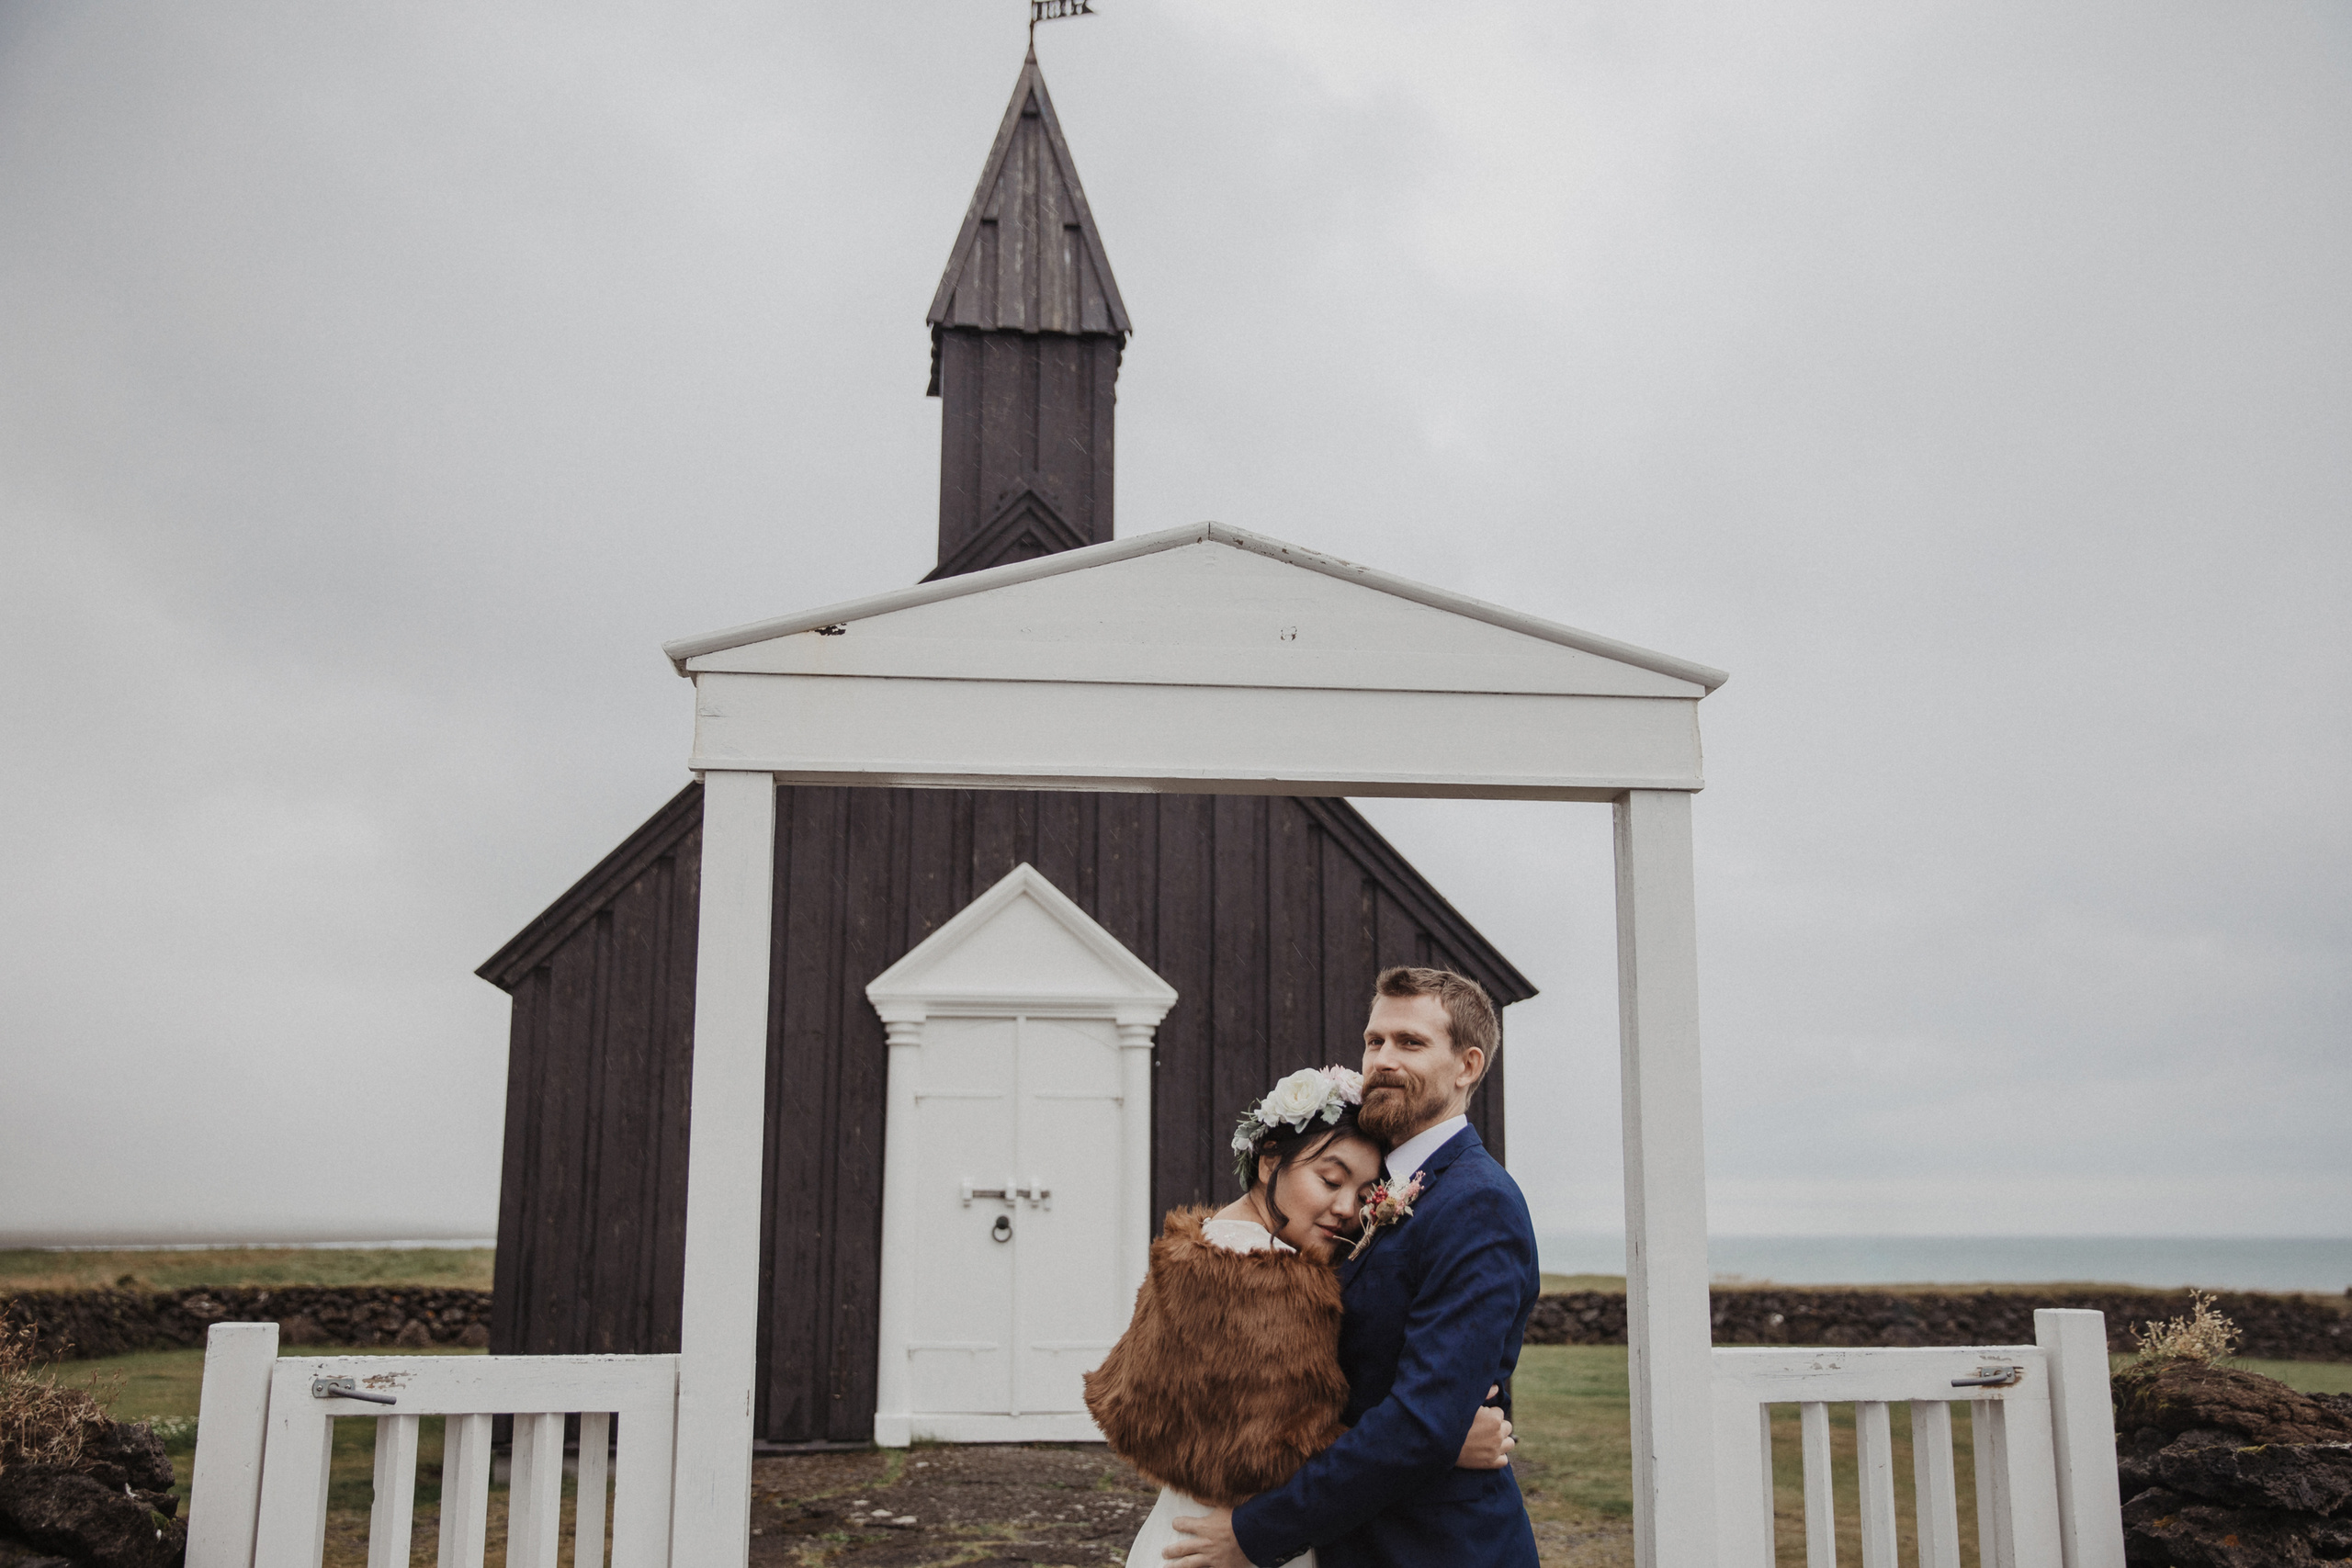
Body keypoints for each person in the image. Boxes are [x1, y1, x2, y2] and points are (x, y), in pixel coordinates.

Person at [1165, 967, 1544, 1568]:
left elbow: (1423, 1418)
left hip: (1435, 1548)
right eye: (1375, 1040)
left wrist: (1257, 1533)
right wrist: (1448, 1438)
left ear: (1467, 1066)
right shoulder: (1368, 1193)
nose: (1383, 1059)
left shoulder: (1478, 1201)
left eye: (1410, 1042)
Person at [1085, 1064, 1515, 1568]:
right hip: (1230, 1544)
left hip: (1178, 1530)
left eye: (1363, 1194)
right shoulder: (1271, 1277)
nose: (1345, 1209)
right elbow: (1274, 1451)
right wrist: (1439, 1442)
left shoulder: (1204, 1240)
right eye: (1329, 1179)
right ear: (1270, 1160)